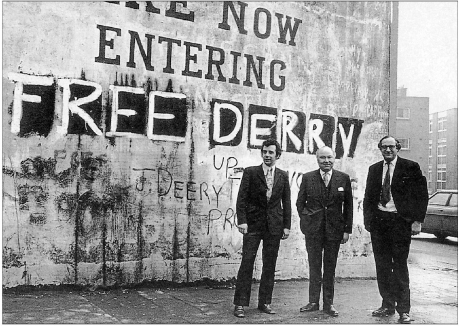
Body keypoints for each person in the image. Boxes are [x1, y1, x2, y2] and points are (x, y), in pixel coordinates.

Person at [363, 136, 428, 324]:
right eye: (384, 147)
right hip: (379, 223)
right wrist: (369, 221)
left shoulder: (411, 167)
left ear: (398, 148)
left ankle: (404, 310)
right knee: (382, 265)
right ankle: (387, 304)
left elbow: (421, 195)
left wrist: (417, 221)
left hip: (400, 223)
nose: (388, 150)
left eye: (391, 147)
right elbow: (369, 197)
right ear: (380, 149)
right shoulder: (374, 169)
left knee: (399, 265)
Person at [233, 138, 291, 318]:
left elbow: (286, 202)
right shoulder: (251, 172)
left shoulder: (283, 175)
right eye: (264, 152)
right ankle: (240, 304)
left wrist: (286, 226)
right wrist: (242, 221)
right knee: (247, 263)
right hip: (253, 225)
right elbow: (241, 199)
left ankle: (265, 302)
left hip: (274, 226)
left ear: (277, 155)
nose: (267, 155)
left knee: (269, 265)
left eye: (271, 152)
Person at [296, 146, 353, 317]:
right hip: (313, 231)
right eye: (322, 158)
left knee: (330, 267)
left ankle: (328, 303)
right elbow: (300, 203)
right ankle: (313, 301)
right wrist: (308, 219)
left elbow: (348, 206)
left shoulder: (343, 178)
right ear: (317, 159)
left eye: (329, 157)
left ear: (334, 158)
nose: (326, 161)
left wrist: (346, 230)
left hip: (334, 231)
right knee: (314, 266)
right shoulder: (308, 178)